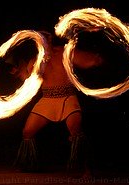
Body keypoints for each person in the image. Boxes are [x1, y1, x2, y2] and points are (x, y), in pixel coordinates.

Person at [6, 30, 104, 177]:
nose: (42, 44)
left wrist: (93, 60)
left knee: (75, 130)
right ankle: (28, 163)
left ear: (50, 41)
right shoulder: (35, 61)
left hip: (67, 98)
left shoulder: (64, 52)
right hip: (47, 99)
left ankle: (85, 168)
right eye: (39, 42)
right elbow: (27, 78)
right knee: (27, 131)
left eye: (44, 40)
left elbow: (82, 60)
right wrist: (18, 71)